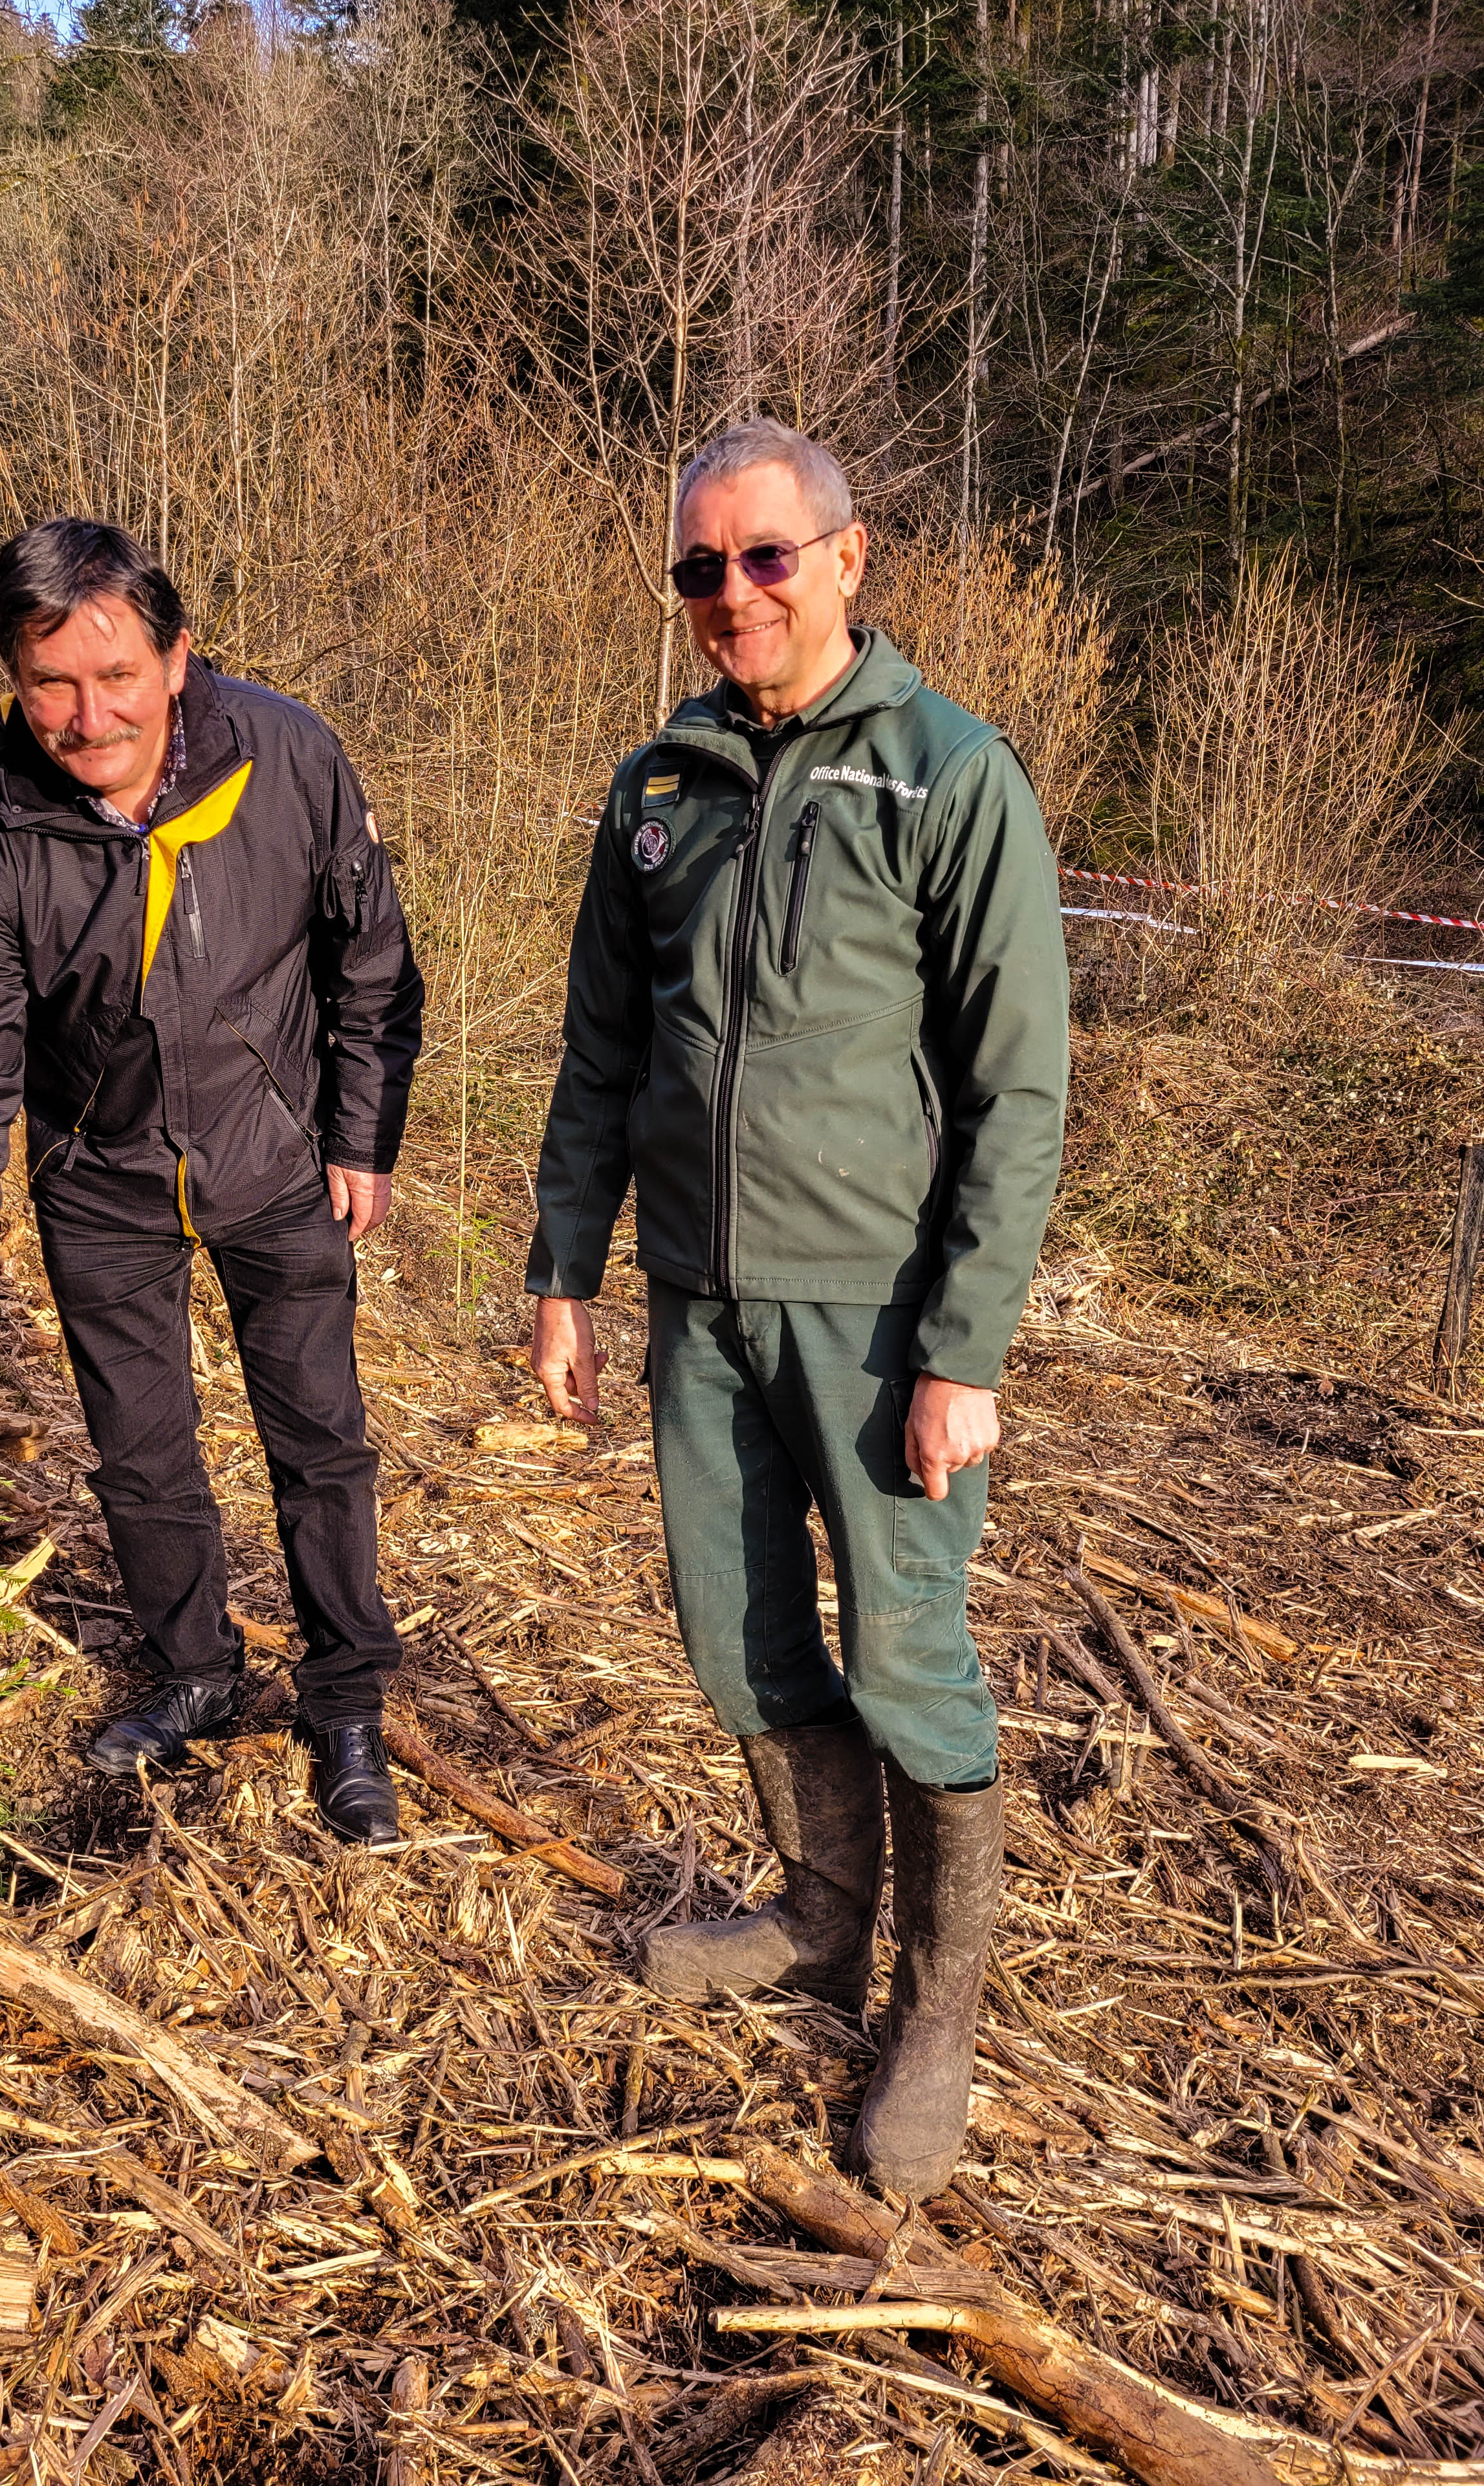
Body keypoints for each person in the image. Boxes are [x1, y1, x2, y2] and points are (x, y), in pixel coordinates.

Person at [525, 419, 1068, 2197]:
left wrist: (964, 1348)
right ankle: (823, 1921)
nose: (733, 595)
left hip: (878, 1311)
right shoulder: (656, 790)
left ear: (849, 559)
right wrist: (565, 1273)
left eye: (765, 558)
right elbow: (603, 1050)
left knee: (909, 1662)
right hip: (700, 1303)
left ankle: (938, 2007)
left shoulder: (948, 776)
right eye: (700, 568)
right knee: (734, 1636)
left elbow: (1018, 1088)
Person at [0, 518, 424, 1846]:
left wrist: (359, 1131)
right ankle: (194, 1670)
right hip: (99, 1173)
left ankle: (345, 1700)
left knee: (320, 1439)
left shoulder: (285, 755)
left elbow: (372, 958)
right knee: (140, 1454)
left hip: (277, 1154)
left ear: (177, 659)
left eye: (115, 673)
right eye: (49, 683)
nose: (87, 714)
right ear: (12, 680)